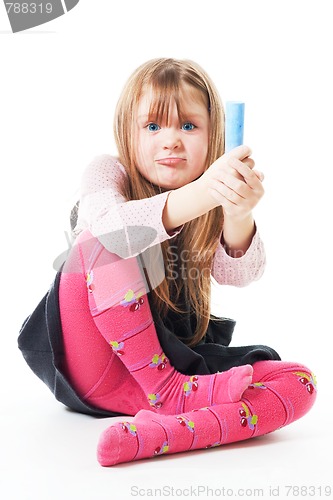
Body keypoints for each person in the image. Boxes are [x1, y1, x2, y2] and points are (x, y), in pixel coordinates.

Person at [18, 58, 317, 466]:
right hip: (97, 366)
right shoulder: (108, 174)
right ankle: (169, 394)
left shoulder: (208, 198)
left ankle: (163, 434)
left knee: (298, 381)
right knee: (102, 241)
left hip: (169, 365)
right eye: (153, 126)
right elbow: (109, 232)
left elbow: (241, 274)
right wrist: (208, 192)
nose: (172, 140)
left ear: (215, 136)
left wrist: (237, 212)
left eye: (189, 126)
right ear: (128, 131)